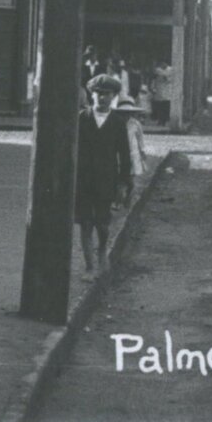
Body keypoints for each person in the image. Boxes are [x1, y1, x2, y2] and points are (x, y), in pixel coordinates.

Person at [75, 74, 133, 278]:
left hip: (106, 180)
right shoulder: (82, 119)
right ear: (91, 95)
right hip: (83, 181)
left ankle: (102, 252)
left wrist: (124, 183)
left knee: (102, 223)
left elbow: (124, 155)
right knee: (85, 223)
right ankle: (89, 267)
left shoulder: (117, 122)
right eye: (98, 94)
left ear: (114, 96)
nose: (102, 98)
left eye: (107, 94)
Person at [149, 61, 175, 128]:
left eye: (164, 63)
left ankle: (164, 120)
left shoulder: (171, 69)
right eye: (161, 64)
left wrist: (164, 76)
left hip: (167, 90)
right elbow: (153, 79)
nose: (163, 65)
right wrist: (153, 87)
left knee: (165, 106)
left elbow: (171, 79)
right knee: (159, 106)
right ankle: (160, 120)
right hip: (159, 90)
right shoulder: (157, 70)